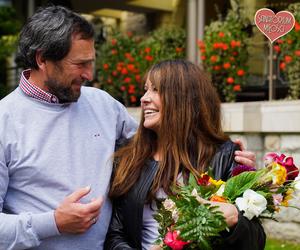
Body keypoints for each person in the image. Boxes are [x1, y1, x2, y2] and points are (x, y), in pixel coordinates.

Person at [0, 5, 255, 250]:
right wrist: (53, 222)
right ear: (42, 59)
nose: (89, 74)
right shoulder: (5, 120)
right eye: (80, 64)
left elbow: (165, 137)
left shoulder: (102, 104)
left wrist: (223, 151)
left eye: (91, 62)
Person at [104, 59, 266, 250]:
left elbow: (255, 241)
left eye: (156, 90)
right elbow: (115, 233)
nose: (144, 98)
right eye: (146, 89)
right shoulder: (129, 158)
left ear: (183, 99)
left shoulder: (223, 156)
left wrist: (234, 219)